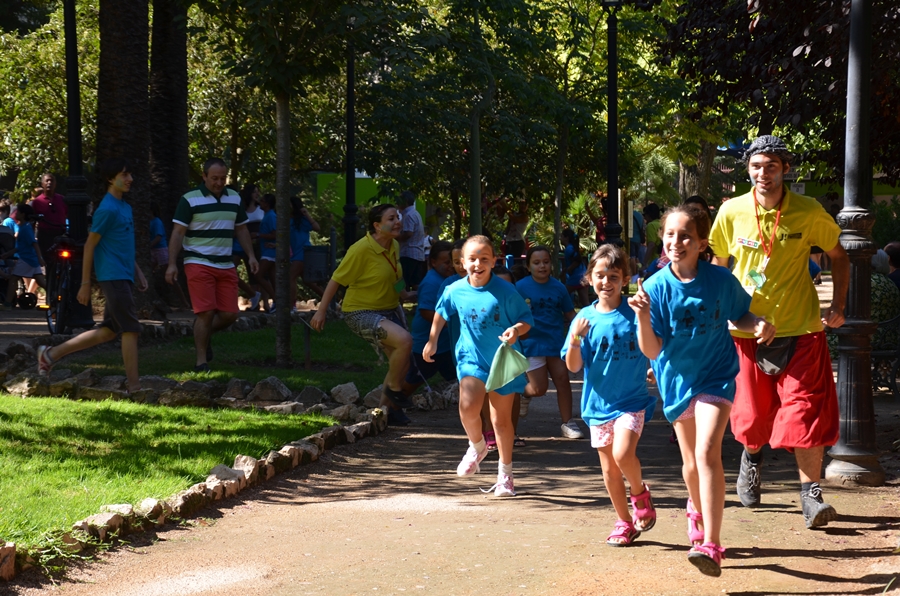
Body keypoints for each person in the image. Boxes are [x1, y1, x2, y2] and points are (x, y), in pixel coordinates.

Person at [708, 135, 849, 529]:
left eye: (771, 166)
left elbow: (838, 255)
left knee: (805, 413)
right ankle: (751, 459)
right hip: (745, 333)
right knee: (752, 420)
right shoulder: (732, 211)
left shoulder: (808, 210)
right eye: (756, 166)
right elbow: (719, 266)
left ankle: (812, 495)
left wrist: (837, 306)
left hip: (802, 329)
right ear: (747, 169)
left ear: (785, 169)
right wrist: (722, 316)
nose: (762, 174)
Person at [629, 203, 775, 575]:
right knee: (691, 462)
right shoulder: (656, 287)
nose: (675, 242)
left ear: (702, 242)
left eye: (685, 236)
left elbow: (739, 313)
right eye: (669, 235)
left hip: (716, 375)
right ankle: (695, 504)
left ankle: (712, 543)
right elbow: (652, 350)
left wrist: (757, 323)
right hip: (677, 381)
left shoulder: (720, 280)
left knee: (708, 450)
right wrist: (643, 315)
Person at [424, 235, 534, 497]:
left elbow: (526, 319)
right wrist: (432, 340)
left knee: (501, 420)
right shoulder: (454, 289)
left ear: (494, 261)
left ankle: (505, 474)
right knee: (467, 408)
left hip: (502, 361)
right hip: (470, 359)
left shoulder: (506, 291)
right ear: (462, 263)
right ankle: (477, 445)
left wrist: (515, 331)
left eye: (484, 259)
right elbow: (441, 311)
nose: (478, 264)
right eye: (472, 259)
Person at [563, 245, 657, 546]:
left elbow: (653, 345)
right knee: (609, 471)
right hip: (597, 406)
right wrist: (576, 339)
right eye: (600, 275)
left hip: (631, 402)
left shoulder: (635, 313)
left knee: (622, 454)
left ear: (625, 279)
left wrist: (654, 366)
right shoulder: (583, 320)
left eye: (613, 276)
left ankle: (640, 494)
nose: (606, 282)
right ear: (589, 278)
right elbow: (574, 366)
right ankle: (624, 522)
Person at [36, 159, 148, 391]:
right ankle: (135, 388)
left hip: (124, 274)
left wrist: (138, 271)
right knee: (130, 329)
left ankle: (50, 355)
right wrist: (85, 283)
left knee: (108, 331)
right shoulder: (106, 209)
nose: (130, 179)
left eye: (130, 175)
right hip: (112, 275)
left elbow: (122, 244)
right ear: (110, 178)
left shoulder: (124, 207)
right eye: (124, 174)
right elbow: (89, 246)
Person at [310, 204, 417, 425]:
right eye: (391, 218)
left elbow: (395, 275)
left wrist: (405, 294)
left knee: (402, 362)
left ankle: (384, 413)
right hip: (361, 312)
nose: (398, 221)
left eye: (398, 217)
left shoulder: (394, 245)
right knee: (405, 341)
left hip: (388, 310)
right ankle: (395, 391)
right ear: (377, 226)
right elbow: (336, 280)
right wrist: (321, 311)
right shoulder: (361, 249)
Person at [166, 158, 259, 372]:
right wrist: (172, 264)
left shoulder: (234, 198)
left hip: (225, 263)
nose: (218, 182)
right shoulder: (189, 200)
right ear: (204, 176)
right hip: (198, 261)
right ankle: (201, 362)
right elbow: (178, 232)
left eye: (222, 178)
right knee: (205, 312)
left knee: (230, 315)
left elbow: (242, 230)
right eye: (214, 178)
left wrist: (251, 256)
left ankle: (202, 333)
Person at [515, 245, 581, 439]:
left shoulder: (559, 288)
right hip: (531, 343)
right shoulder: (520, 288)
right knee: (538, 388)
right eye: (536, 263)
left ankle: (568, 423)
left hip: (555, 343)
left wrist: (580, 332)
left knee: (563, 379)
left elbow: (570, 313)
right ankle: (523, 394)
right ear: (529, 266)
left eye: (545, 262)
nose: (542, 266)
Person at [401, 240, 456, 397]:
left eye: (453, 261)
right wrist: (451, 324)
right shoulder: (432, 282)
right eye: (446, 262)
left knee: (458, 374)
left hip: (443, 343)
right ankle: (392, 405)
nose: (451, 265)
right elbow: (426, 312)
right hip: (426, 340)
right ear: (433, 262)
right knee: (415, 378)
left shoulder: (447, 279)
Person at [826, 249, 900, 358]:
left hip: (866, 337)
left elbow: (839, 311)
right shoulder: (888, 282)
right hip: (889, 337)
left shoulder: (861, 282)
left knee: (820, 342)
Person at [1, 203, 46, 307]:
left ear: (22, 214)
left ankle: (7, 303)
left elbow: (34, 243)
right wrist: (8, 254)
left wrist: (40, 258)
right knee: (41, 282)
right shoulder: (23, 227)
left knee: (13, 279)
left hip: (26, 259)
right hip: (31, 259)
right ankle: (57, 296)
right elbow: (21, 246)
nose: (15, 213)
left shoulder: (25, 228)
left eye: (18, 212)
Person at [289, 196, 322, 308]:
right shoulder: (288, 221)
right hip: (295, 254)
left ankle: (291, 305)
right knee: (308, 281)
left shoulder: (302, 221)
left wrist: (307, 214)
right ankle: (330, 300)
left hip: (303, 253)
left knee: (290, 277)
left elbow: (317, 228)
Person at [233, 184, 262, 311]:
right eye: (254, 191)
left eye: (258, 192)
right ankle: (253, 295)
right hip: (238, 244)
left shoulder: (261, 209)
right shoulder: (241, 208)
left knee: (255, 274)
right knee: (230, 272)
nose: (257, 194)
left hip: (255, 244)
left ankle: (257, 301)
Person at [31, 173, 69, 264]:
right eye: (47, 181)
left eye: (51, 181)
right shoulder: (37, 202)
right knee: (48, 261)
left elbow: (68, 214)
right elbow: (32, 221)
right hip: (45, 235)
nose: (49, 183)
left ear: (55, 184)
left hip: (61, 233)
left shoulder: (62, 199)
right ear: (42, 184)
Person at [398, 190, 426, 289]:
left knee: (401, 281)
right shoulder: (415, 213)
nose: (396, 202)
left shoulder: (408, 215)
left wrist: (394, 237)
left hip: (408, 253)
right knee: (415, 282)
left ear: (405, 200)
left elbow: (408, 233)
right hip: (418, 254)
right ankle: (420, 302)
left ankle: (398, 300)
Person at [255, 193, 278, 313]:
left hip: (270, 252)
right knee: (273, 277)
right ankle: (276, 302)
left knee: (258, 275)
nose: (260, 202)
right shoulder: (267, 215)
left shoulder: (271, 217)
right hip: (267, 250)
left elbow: (275, 234)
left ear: (267, 204)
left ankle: (276, 299)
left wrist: (258, 235)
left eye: (262, 200)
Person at [561, 228, 589, 306]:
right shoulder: (572, 247)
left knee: (563, 295)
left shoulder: (569, 249)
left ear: (566, 238)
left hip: (576, 278)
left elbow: (577, 260)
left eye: (562, 236)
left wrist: (569, 269)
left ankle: (568, 313)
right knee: (585, 302)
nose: (560, 238)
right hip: (583, 275)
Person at [149, 203, 168, 272]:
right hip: (153, 250)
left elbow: (158, 237)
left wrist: (149, 245)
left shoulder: (157, 222)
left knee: (165, 271)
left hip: (160, 249)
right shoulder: (149, 222)